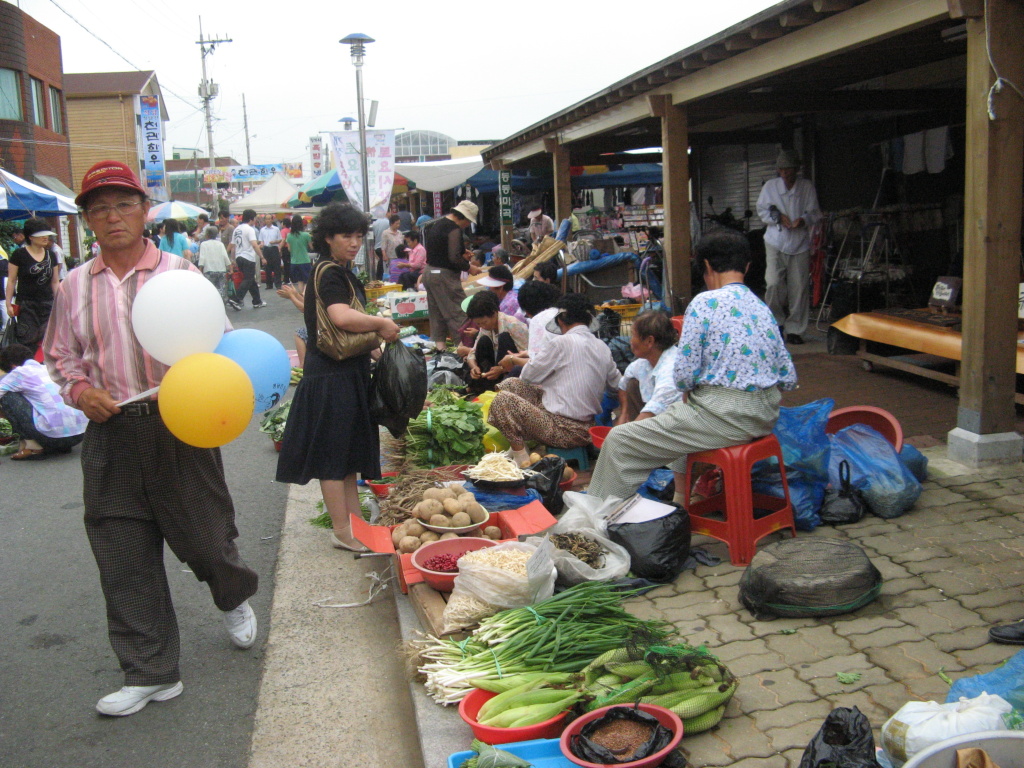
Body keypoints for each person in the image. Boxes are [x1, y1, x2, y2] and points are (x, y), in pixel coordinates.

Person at [44, 159, 259, 717]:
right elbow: (61, 355)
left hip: (179, 423)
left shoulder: (179, 274)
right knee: (120, 548)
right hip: (110, 430)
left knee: (206, 536)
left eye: (122, 204)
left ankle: (231, 594)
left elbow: (219, 344)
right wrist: (79, 389)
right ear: (87, 219)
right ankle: (150, 671)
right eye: (98, 208)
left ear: (144, 211)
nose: (111, 217)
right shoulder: (72, 286)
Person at [588, 228, 797, 502]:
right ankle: (680, 504)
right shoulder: (761, 306)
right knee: (681, 415)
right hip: (765, 414)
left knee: (620, 439)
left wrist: (700, 389)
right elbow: (788, 377)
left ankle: (595, 520)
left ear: (706, 266)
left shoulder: (704, 303)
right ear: (746, 266)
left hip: (726, 417)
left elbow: (684, 377)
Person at [275, 203, 400, 551]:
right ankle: (342, 531)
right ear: (327, 237)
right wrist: (380, 324)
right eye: (346, 235)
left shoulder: (340, 272)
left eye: (359, 236)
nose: (354, 242)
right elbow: (340, 317)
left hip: (345, 372)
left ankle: (356, 524)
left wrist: (375, 347)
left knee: (346, 458)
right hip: (331, 376)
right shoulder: (330, 272)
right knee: (333, 458)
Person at [489, 293, 620, 466]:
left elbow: (528, 375)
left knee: (503, 400)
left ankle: (522, 460)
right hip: (587, 428)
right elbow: (616, 386)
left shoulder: (560, 343)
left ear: (561, 320)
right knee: (510, 385)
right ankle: (517, 449)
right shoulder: (602, 347)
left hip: (563, 430)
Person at [756, 149, 821, 345]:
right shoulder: (770, 186)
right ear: (778, 170)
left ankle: (795, 329)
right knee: (774, 282)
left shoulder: (806, 187)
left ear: (797, 170)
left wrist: (804, 220)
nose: (786, 174)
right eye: (783, 170)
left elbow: (815, 213)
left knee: (799, 287)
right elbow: (762, 210)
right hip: (776, 241)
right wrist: (777, 217)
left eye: (790, 170)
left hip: (799, 243)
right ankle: (776, 323)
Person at [0, 343, 87, 459]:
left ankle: (32, 446)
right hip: (79, 434)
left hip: (53, 436)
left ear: (13, 366)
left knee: (8, 396)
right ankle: (58, 445)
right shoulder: (48, 368)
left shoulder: (19, 372)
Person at [421, 200, 481, 351]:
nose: (468, 224)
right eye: (468, 221)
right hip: (443, 276)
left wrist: (463, 254)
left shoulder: (438, 224)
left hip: (429, 272)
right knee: (458, 313)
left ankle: (441, 351)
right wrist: (469, 267)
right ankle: (464, 350)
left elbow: (443, 251)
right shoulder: (454, 229)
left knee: (437, 314)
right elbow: (453, 257)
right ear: (464, 218)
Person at [615, 312, 682, 425]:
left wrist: (621, 434)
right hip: (656, 420)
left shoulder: (671, 368)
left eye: (633, 335)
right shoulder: (643, 363)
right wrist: (624, 413)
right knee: (631, 384)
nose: (631, 341)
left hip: (677, 425)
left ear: (649, 341)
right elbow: (623, 384)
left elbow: (653, 410)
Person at [6, 218, 61, 353]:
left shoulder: (51, 255)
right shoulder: (19, 254)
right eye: (41, 234)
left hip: (47, 303)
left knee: (50, 338)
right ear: (30, 237)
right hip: (26, 304)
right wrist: (8, 304)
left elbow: (55, 281)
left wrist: (60, 301)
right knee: (28, 338)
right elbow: (12, 280)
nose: (45, 237)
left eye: (47, 234)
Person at [464, 291, 528, 395]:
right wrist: (474, 367)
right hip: (493, 371)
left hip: (513, 371)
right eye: (478, 324)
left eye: (484, 322)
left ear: (494, 313)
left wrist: (502, 369)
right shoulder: (484, 328)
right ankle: (483, 386)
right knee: (483, 340)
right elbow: (473, 352)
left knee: (504, 337)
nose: (482, 326)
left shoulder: (513, 325)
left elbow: (528, 358)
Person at [228, 208, 266, 310]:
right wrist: (262, 257)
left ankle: (257, 301)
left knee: (251, 280)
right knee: (248, 279)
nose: (255, 220)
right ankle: (236, 298)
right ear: (251, 218)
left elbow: (233, 245)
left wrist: (232, 260)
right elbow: (254, 244)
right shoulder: (250, 229)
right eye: (255, 218)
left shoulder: (237, 229)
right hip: (248, 257)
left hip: (239, 257)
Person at [197, 224, 233, 301]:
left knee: (210, 289)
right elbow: (225, 257)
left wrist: (200, 269)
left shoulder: (204, 244)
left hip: (209, 270)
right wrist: (230, 268)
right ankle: (221, 303)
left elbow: (202, 258)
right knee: (221, 289)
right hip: (221, 270)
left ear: (207, 235)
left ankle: (211, 302)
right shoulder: (220, 244)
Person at [286, 214, 313, 294]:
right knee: (308, 281)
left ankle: (301, 295)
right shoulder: (306, 235)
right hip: (304, 261)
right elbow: (311, 247)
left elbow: (289, 249)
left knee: (300, 281)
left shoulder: (289, 235)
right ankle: (304, 295)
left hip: (294, 262)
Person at [259, 216, 283, 290]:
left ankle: (278, 284)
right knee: (267, 267)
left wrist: (274, 242)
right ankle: (269, 284)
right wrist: (261, 244)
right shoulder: (262, 230)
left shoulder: (276, 229)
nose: (268, 220)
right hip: (266, 249)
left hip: (274, 248)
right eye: (266, 219)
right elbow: (261, 240)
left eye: (269, 219)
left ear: (272, 220)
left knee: (277, 266)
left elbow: (280, 239)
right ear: (264, 220)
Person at [379, 214, 404, 280]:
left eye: (399, 223)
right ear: (391, 223)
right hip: (390, 257)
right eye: (396, 223)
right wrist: (384, 255)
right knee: (389, 274)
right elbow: (383, 245)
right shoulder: (386, 233)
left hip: (399, 257)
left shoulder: (399, 233)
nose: (398, 225)